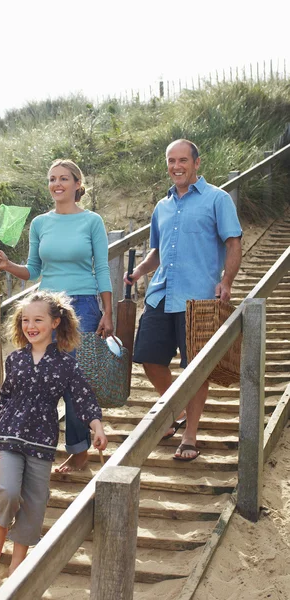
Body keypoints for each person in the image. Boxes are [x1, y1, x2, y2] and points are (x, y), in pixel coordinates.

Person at [0, 290, 108, 575]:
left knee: (35, 499)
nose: (30, 327)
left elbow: (83, 398)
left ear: (56, 323)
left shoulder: (67, 364)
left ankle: (18, 558)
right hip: (9, 433)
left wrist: (96, 425)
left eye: (38, 320)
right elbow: (6, 397)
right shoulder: (15, 359)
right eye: (25, 321)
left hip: (42, 440)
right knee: (7, 490)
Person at [0, 159, 113, 473]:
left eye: (63, 178)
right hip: (46, 309)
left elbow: (101, 269)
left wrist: (107, 312)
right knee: (38, 378)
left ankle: (78, 452)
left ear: (76, 184)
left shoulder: (92, 221)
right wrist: (7, 264)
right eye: (52, 179)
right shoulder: (41, 224)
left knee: (74, 382)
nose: (56, 184)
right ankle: (32, 446)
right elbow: (33, 270)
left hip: (83, 306)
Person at [125, 139, 242, 461]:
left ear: (196, 163)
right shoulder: (162, 207)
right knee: (148, 357)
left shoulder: (217, 199)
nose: (176, 166)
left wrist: (227, 282)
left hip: (199, 297)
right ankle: (175, 412)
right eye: (171, 161)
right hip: (161, 293)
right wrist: (138, 272)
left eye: (183, 160)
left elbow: (233, 243)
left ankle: (190, 435)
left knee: (196, 369)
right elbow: (157, 251)